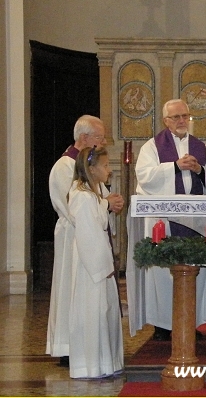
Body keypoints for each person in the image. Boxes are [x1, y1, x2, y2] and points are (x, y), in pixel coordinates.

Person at [128, 99, 206, 341]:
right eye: (176, 117)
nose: (181, 121)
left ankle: (191, 321)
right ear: (166, 121)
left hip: (195, 219)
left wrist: (200, 169)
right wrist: (175, 167)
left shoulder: (200, 147)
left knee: (195, 269)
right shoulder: (152, 147)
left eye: (185, 116)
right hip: (165, 221)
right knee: (163, 273)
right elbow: (145, 177)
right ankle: (164, 325)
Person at [47, 115, 123, 366]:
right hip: (74, 239)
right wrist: (106, 204)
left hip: (90, 236)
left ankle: (89, 345)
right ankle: (70, 345)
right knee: (73, 290)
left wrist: (109, 204)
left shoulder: (89, 167)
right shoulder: (64, 166)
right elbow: (71, 207)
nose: (102, 143)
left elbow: (97, 201)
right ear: (83, 138)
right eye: (99, 138)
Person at [68, 146, 124, 379]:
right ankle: (92, 365)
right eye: (105, 166)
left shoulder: (91, 195)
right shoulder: (82, 197)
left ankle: (106, 363)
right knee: (94, 313)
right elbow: (89, 236)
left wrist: (106, 204)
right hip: (93, 269)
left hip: (100, 266)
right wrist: (104, 269)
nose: (109, 170)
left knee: (104, 312)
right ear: (91, 170)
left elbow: (98, 217)